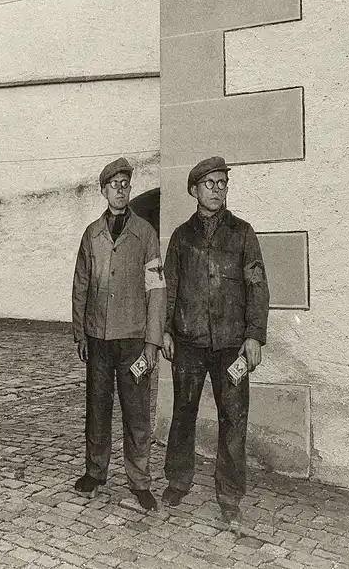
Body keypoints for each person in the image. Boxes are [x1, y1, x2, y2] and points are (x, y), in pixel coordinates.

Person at [161, 156, 270, 525]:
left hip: (230, 345)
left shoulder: (242, 233)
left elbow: (257, 287)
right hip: (188, 342)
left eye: (223, 183)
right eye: (210, 184)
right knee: (183, 413)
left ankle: (230, 493)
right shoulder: (180, 236)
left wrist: (254, 336)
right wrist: (164, 330)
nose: (217, 190)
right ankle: (178, 480)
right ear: (194, 190)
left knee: (234, 418)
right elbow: (169, 287)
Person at [72, 157, 166, 511]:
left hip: (133, 339)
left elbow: (157, 288)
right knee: (97, 409)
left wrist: (153, 340)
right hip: (98, 338)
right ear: (103, 191)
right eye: (114, 185)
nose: (121, 190)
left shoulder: (145, 234)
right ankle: (95, 473)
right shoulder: (91, 235)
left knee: (136, 412)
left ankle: (140, 481)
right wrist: (80, 333)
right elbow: (81, 284)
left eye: (126, 184)